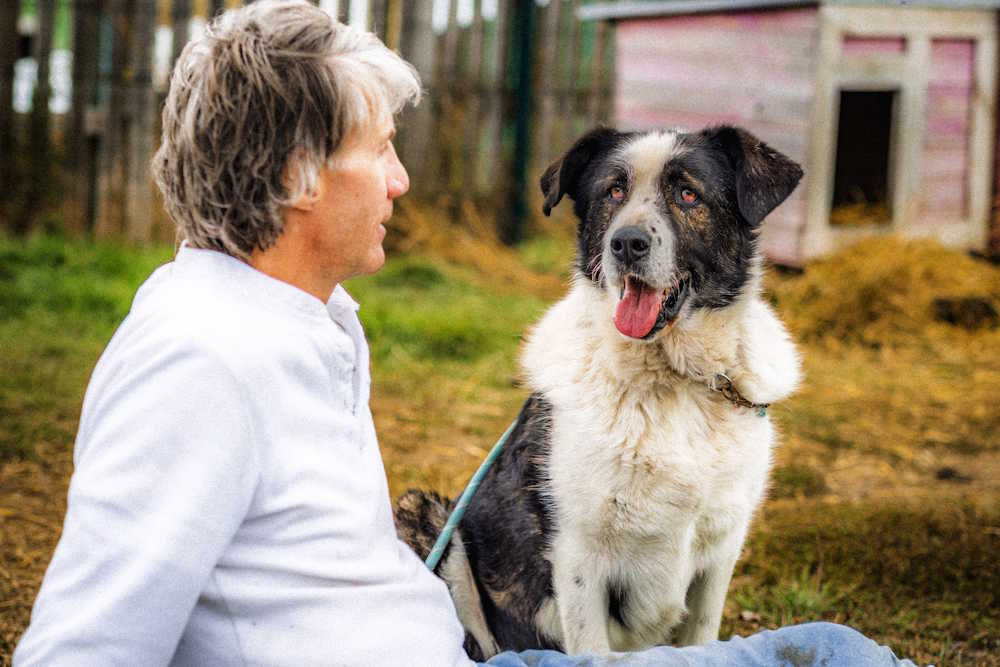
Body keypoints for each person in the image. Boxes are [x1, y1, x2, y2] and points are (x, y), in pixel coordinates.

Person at [14, 2, 920, 666]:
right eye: (380, 149)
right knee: (840, 655)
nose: (402, 180)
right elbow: (82, 645)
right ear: (298, 174)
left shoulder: (307, 321)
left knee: (835, 649)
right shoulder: (197, 362)